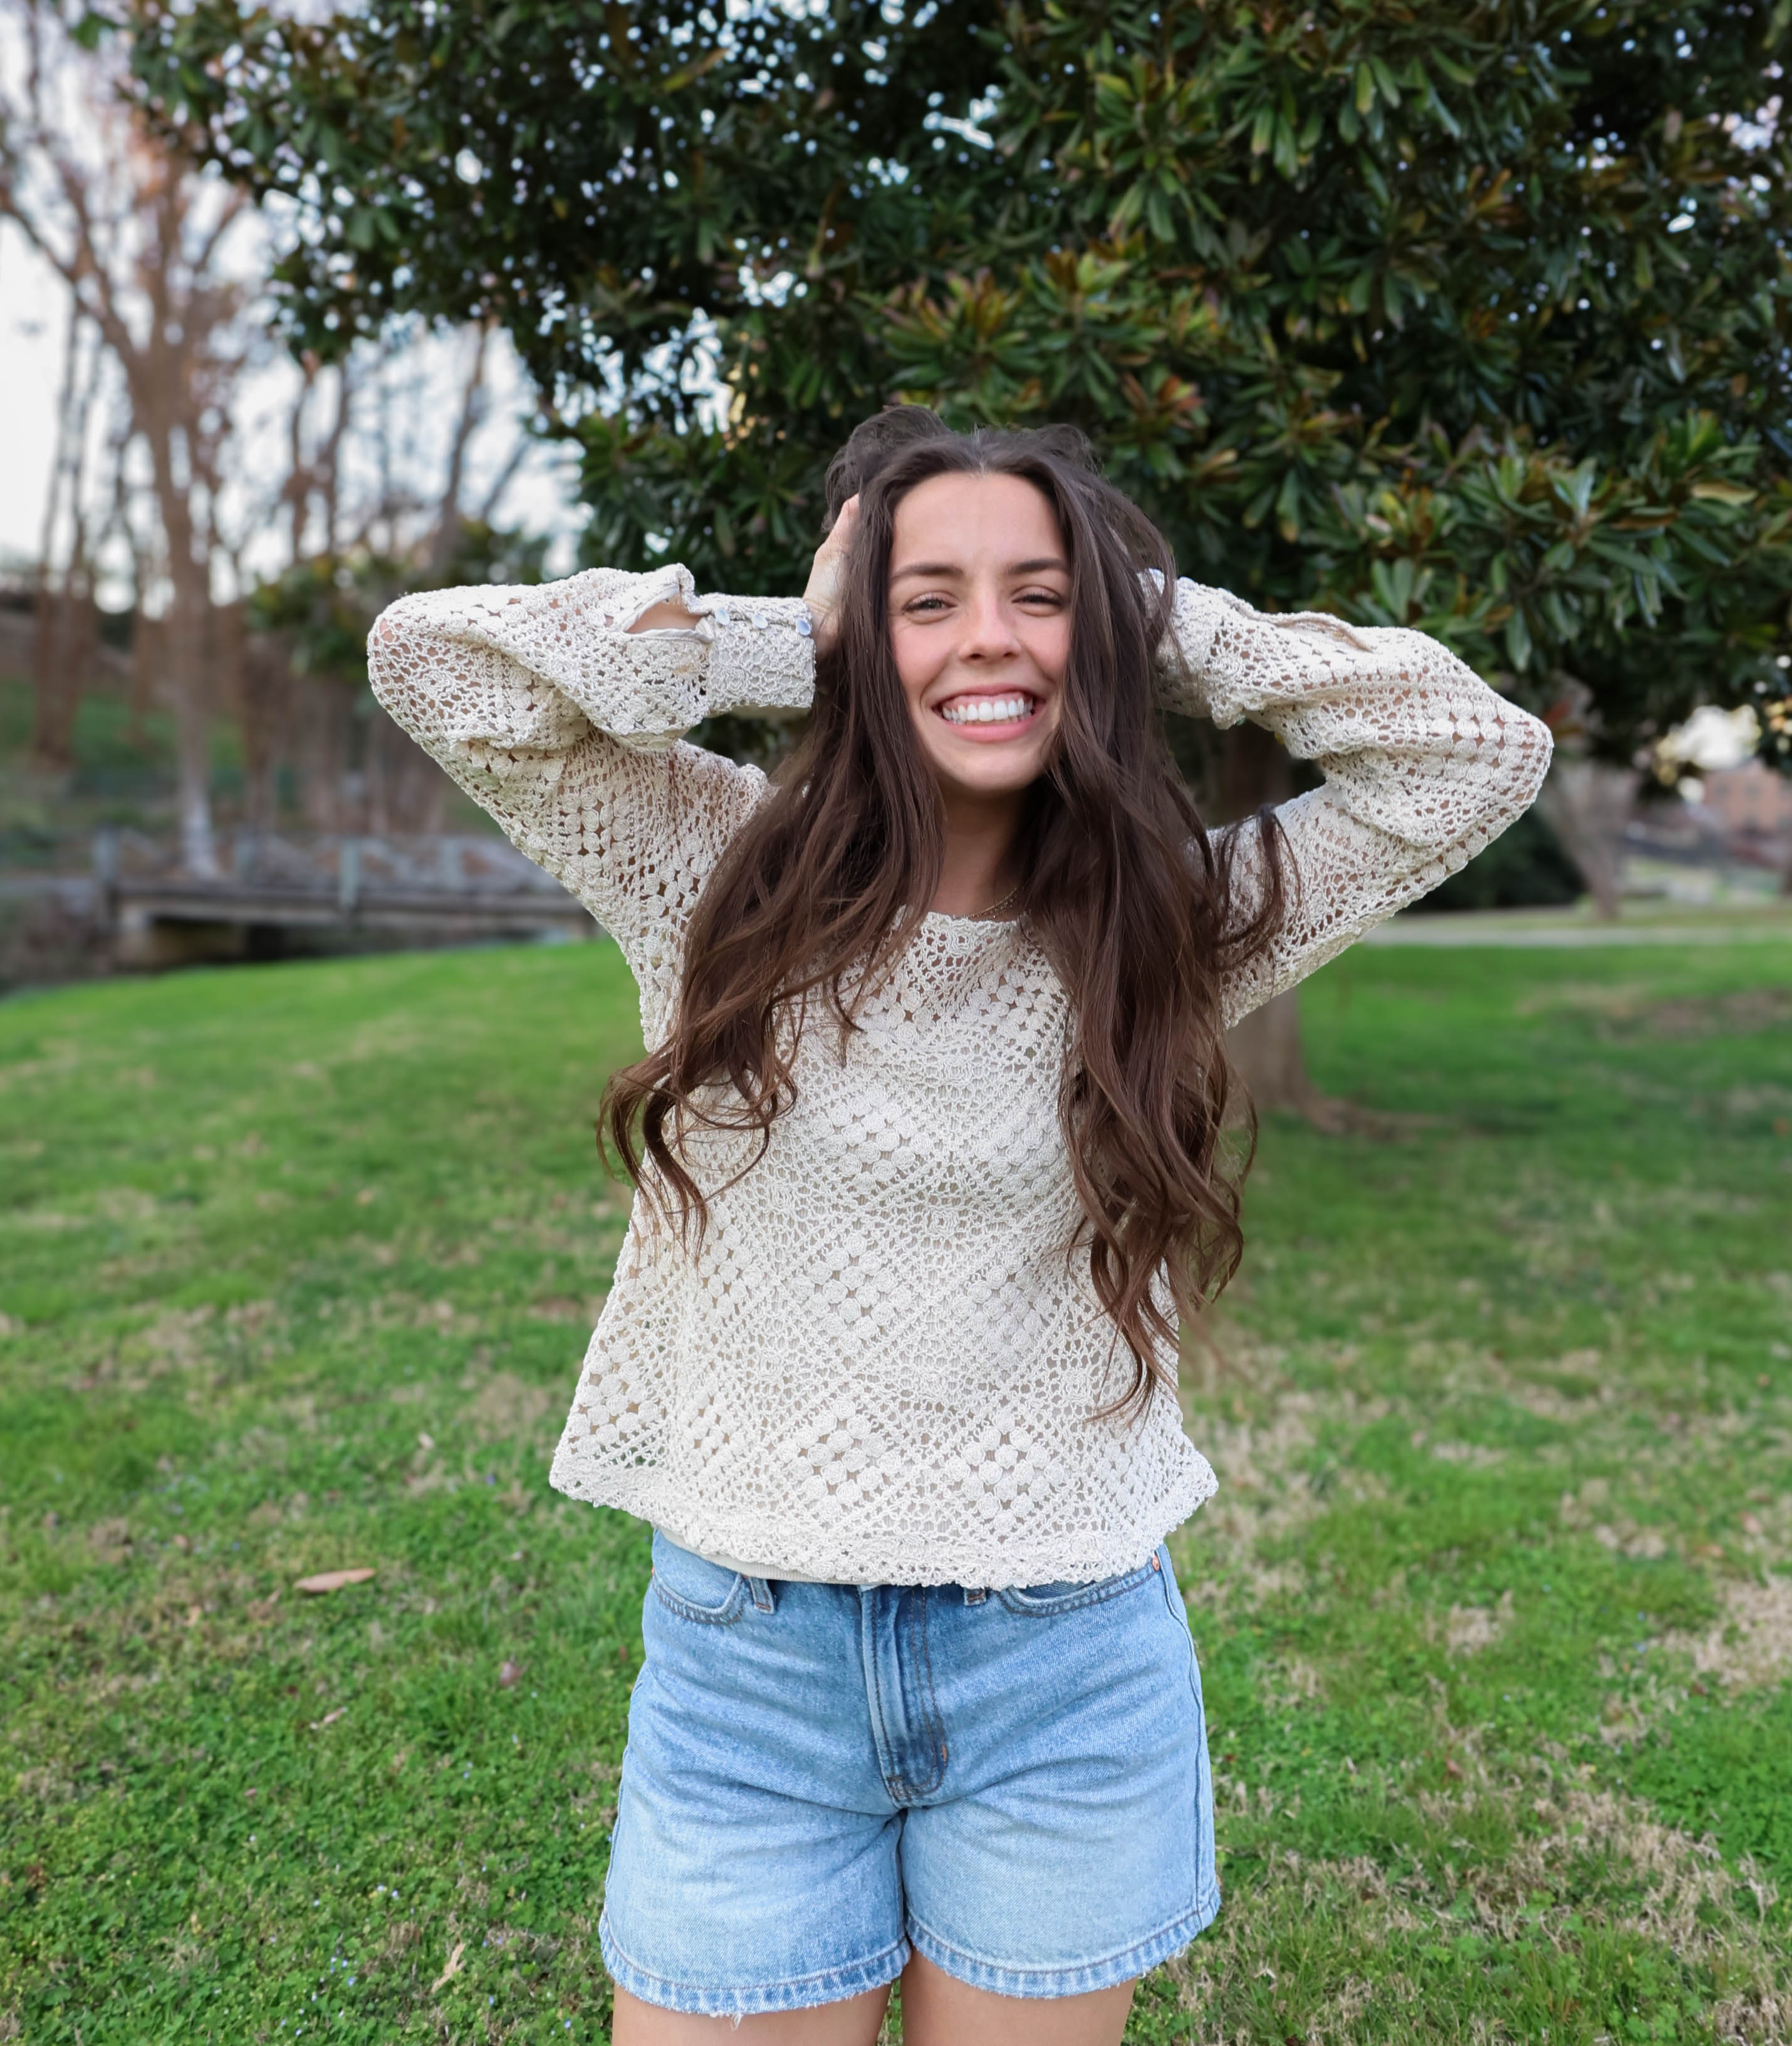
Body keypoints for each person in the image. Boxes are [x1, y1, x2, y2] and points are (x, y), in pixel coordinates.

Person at [368, 405, 1551, 2045]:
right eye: (927, 593)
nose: (987, 632)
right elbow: (436, 661)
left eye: (1038, 592)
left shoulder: (1171, 921)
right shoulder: (707, 863)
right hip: (752, 1671)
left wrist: (1153, 624)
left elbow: (1477, 751)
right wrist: (802, 636)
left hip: (1061, 1663)